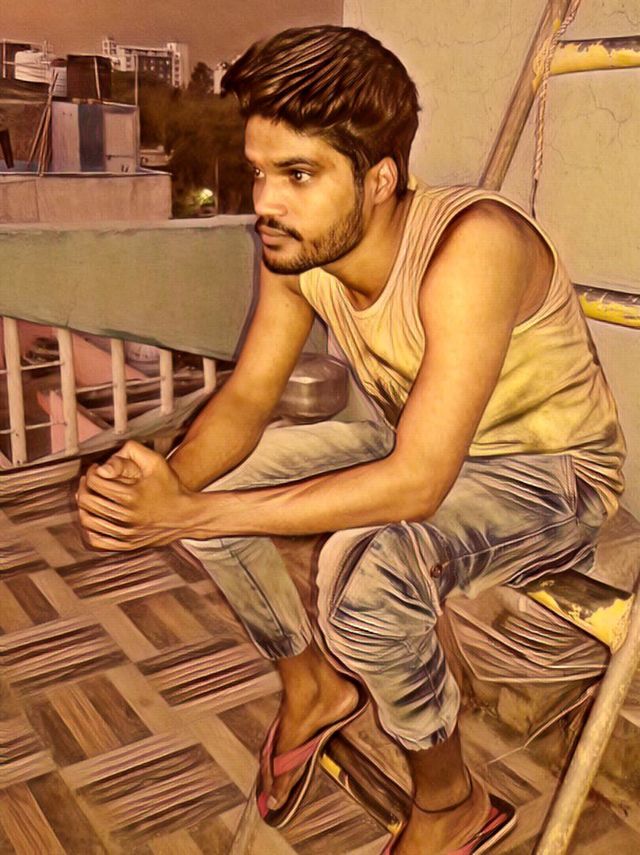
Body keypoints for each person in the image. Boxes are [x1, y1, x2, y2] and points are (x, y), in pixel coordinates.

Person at [77, 25, 625, 854]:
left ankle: (452, 800)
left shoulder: (472, 247)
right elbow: (249, 397)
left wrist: (187, 516)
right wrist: (160, 487)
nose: (266, 202)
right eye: (261, 172)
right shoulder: (297, 249)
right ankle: (312, 687)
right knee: (209, 480)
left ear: (379, 180)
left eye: (299, 175)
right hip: (420, 439)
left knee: (362, 575)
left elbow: (419, 484)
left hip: (550, 473)